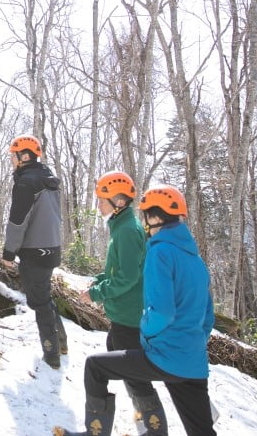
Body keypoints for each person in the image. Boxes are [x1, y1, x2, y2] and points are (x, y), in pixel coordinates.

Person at [54, 184, 216, 436]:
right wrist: (192, 345)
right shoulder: (196, 260)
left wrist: (146, 334)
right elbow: (207, 318)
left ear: (155, 216)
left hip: (165, 355)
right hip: (193, 362)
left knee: (95, 367)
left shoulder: (161, 252)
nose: (145, 223)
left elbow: (161, 312)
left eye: (146, 216)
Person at [83, 171, 168, 435]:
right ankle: (146, 428)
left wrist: (98, 294)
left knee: (134, 377)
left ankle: (150, 430)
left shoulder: (128, 231)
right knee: (129, 375)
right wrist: (98, 281)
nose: (98, 204)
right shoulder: (122, 227)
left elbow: (129, 277)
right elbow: (119, 270)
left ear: (119, 201)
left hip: (130, 317)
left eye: (102, 199)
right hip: (123, 316)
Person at [1, 134, 68, 369]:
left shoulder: (26, 183)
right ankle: (61, 343)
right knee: (43, 297)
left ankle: (52, 355)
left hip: (33, 250)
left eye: (14, 155)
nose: (12, 159)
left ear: (24, 156)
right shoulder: (48, 179)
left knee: (39, 302)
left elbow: (18, 221)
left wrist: (9, 252)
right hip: (51, 247)